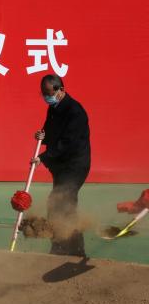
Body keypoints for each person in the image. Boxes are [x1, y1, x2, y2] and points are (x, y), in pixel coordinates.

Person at [32, 74, 91, 257]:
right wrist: (42, 137)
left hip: (75, 165)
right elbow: (51, 132)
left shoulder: (75, 112)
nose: (46, 97)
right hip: (60, 166)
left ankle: (73, 250)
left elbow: (67, 143)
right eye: (43, 94)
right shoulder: (54, 107)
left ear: (61, 90)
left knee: (62, 202)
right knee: (59, 205)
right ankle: (61, 246)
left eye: (49, 93)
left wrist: (43, 157)